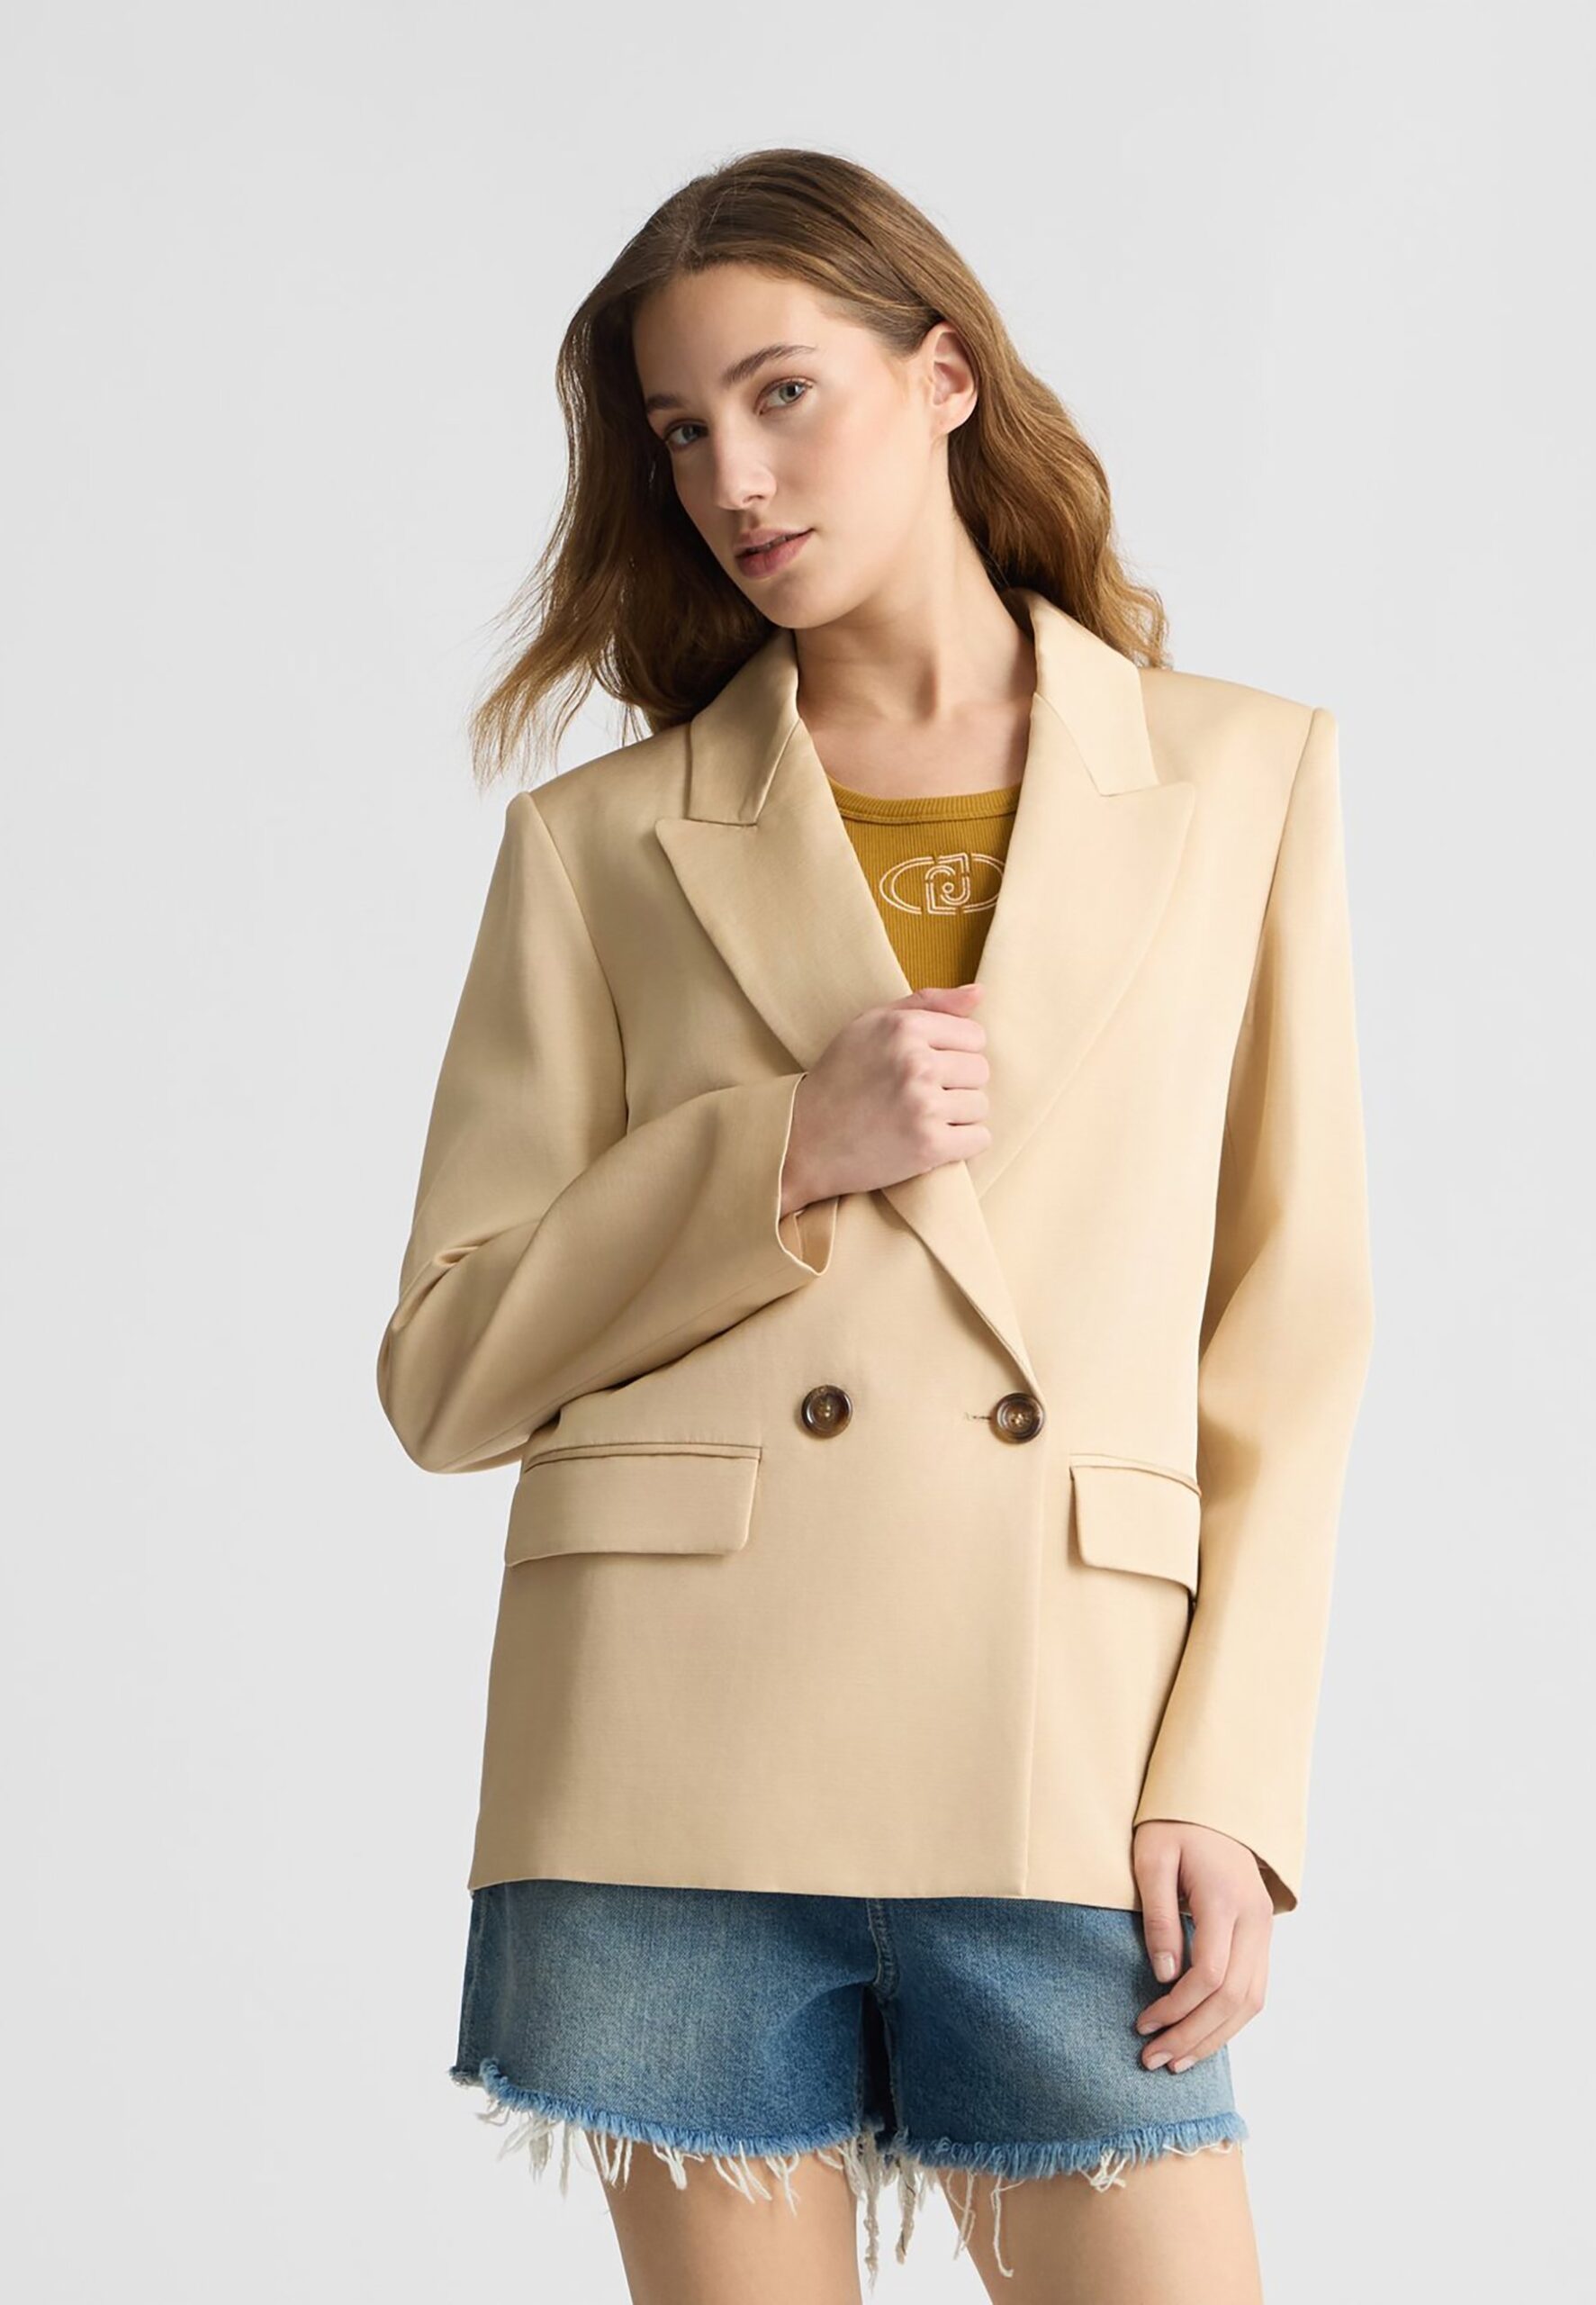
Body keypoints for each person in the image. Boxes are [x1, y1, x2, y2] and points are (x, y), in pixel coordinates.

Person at [375, 147, 1375, 2305]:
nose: (730, 479)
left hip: (1067, 1741)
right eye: (678, 432)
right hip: (670, 1761)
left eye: (779, 394)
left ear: (941, 377)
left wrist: (1229, 1774)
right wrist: (773, 1152)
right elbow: (444, 1368)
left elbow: (1285, 1325)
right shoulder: (599, 843)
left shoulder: (1235, 779)